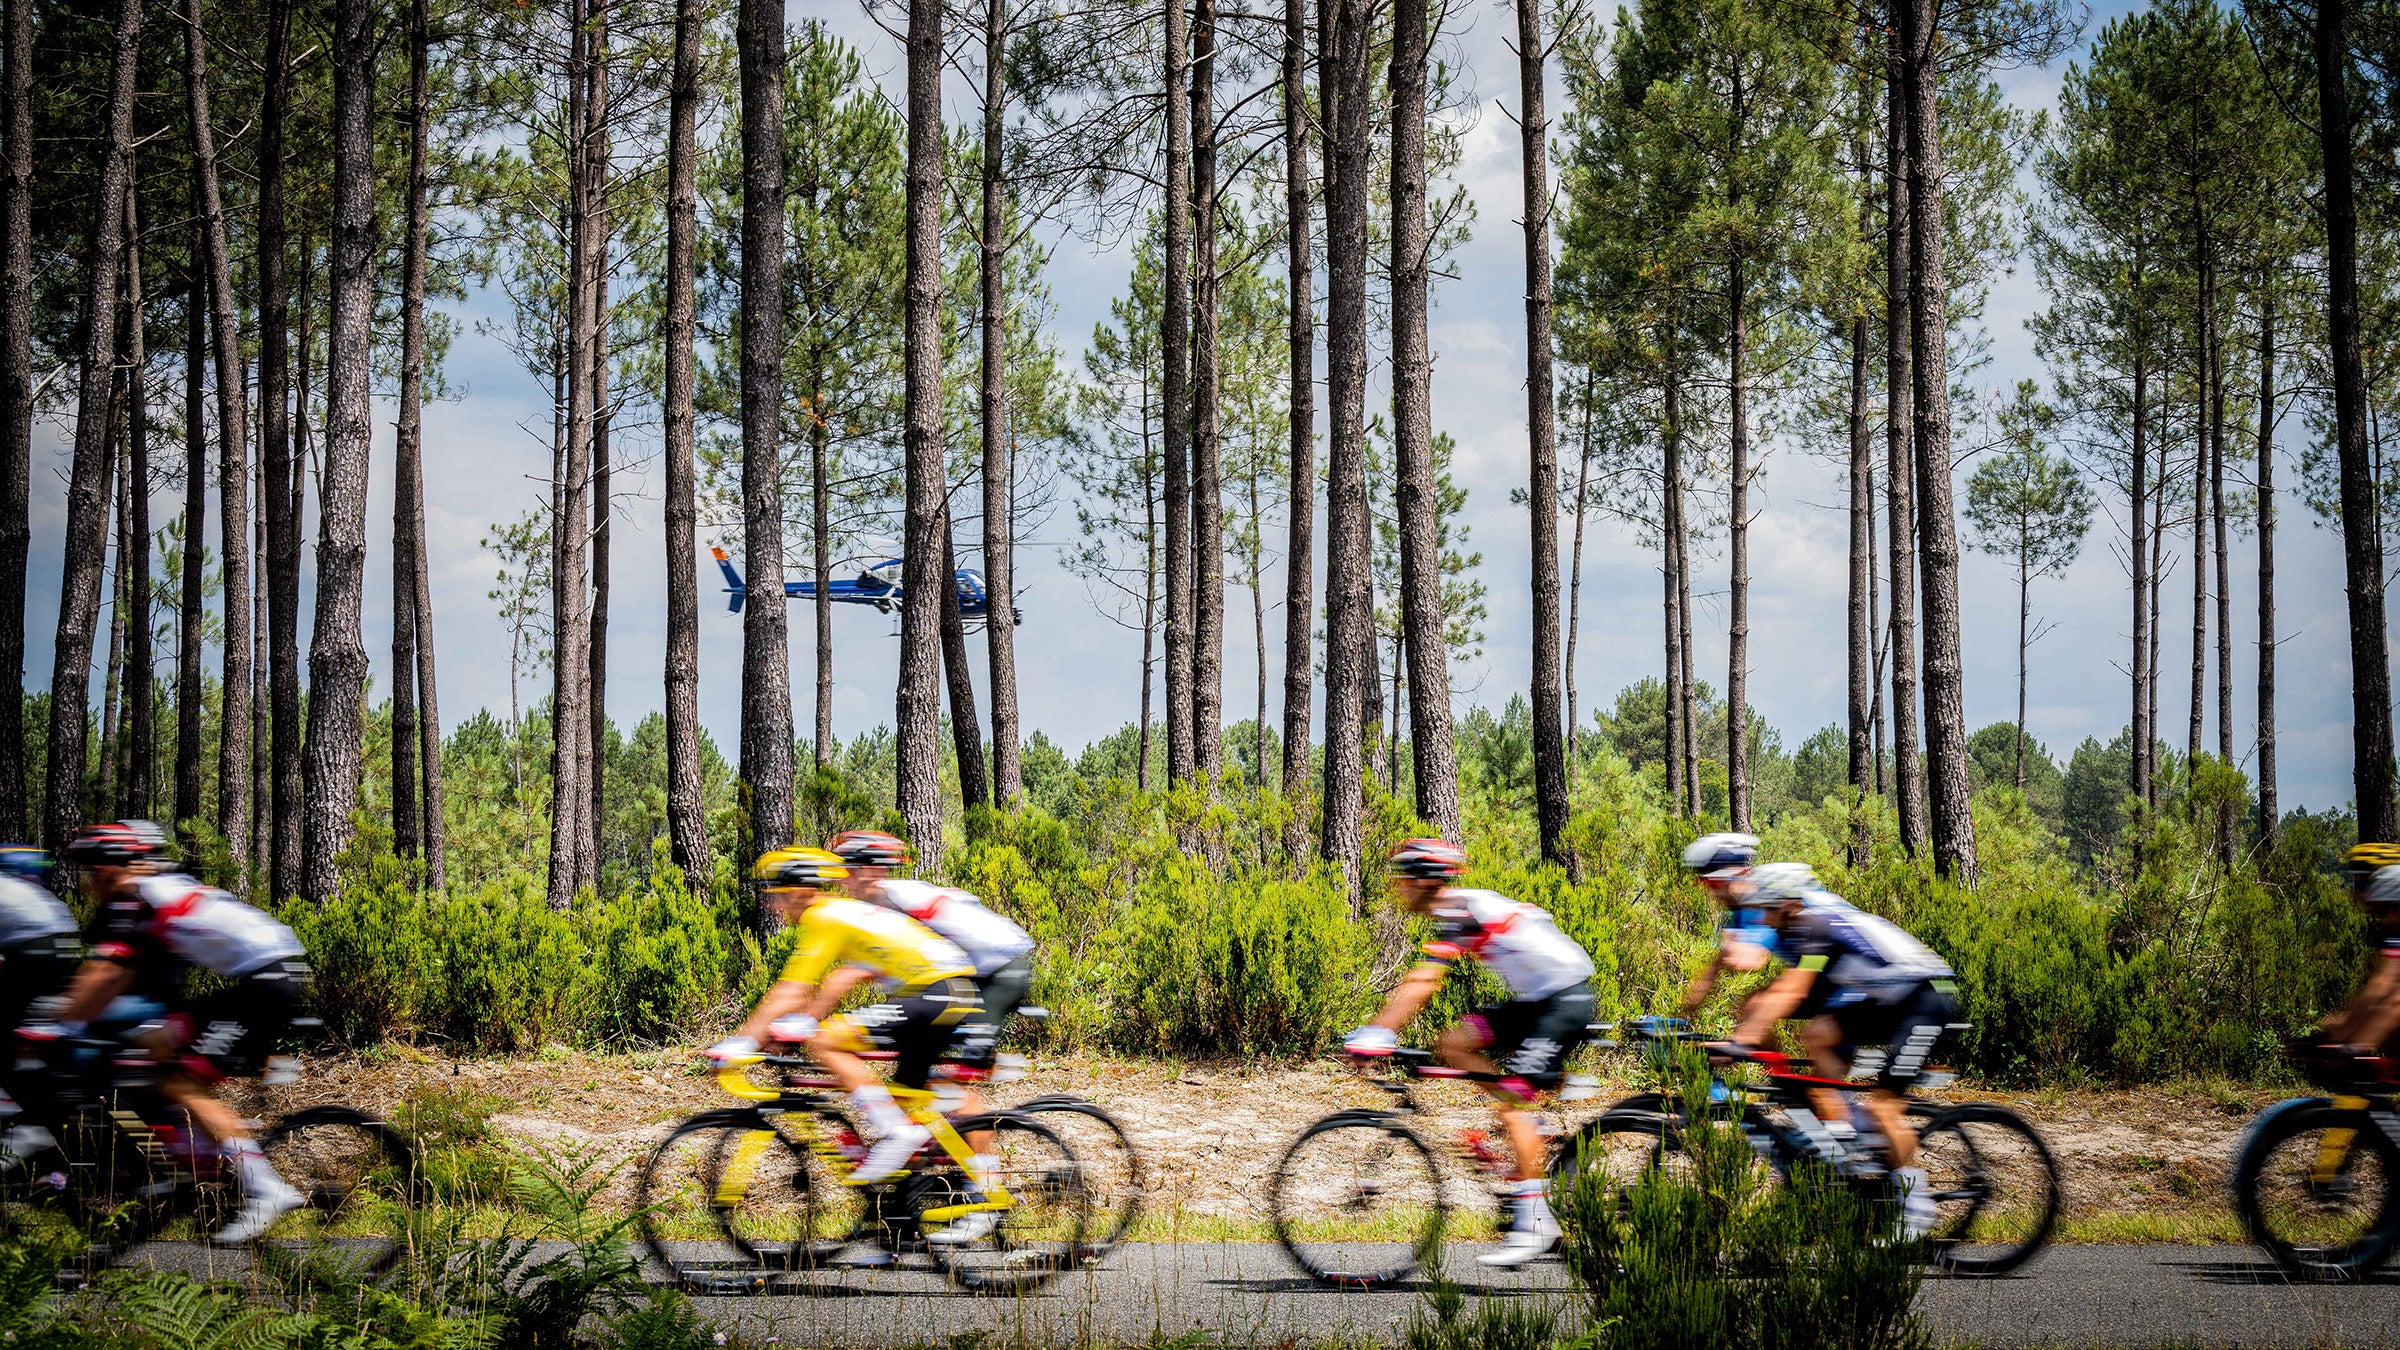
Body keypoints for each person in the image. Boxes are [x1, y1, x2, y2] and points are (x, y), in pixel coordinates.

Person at [33, 822, 313, 1245]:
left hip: (266, 983)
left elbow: (108, 975)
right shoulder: (158, 889)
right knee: (153, 1047)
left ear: (112, 870)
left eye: (92, 872)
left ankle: (265, 1188)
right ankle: (196, 1162)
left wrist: (58, 1026)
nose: (88, 883)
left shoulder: (141, 897)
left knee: (178, 1078)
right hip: (264, 976)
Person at [1343, 837, 1599, 1268]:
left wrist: (1379, 1032)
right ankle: (1528, 1121)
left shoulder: (1463, 910)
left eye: (1402, 880)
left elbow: (1423, 981)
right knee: (1452, 1043)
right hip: (1538, 999)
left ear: (1425, 881)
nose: (1397, 889)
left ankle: (1535, 1221)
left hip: (1564, 1000)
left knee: (1512, 1106)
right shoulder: (1459, 909)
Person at [707, 847, 984, 1202]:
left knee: (825, 1043)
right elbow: (832, 982)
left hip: (937, 991)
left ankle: (900, 1138)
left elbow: (791, 990)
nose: (771, 907)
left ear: (800, 891)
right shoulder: (836, 913)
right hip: (943, 990)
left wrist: (740, 1042)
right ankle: (904, 1219)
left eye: (775, 897)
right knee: (902, 1102)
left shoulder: (824, 917)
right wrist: (793, 1024)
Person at [1725, 862, 1958, 1240]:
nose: (1763, 920)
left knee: (1884, 1106)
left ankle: (1917, 1208)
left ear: (1788, 905)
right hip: (1886, 1001)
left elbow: (1792, 992)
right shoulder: (1802, 929)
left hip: (1925, 1000)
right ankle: (1846, 1130)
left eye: (1767, 909)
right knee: (1817, 1035)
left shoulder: (1817, 925)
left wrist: (1741, 1041)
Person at [2319, 842, 2400, 1067]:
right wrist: (2332, 1034)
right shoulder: (2392, 924)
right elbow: (2377, 990)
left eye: (2363, 882)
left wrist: (2356, 1046)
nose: (2357, 893)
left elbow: (2391, 997)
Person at [1676, 832, 1763, 1017]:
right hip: (1817, 971)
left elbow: (1751, 960)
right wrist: (1687, 1008)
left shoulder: (1761, 898)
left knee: (1755, 1007)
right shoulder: (1737, 908)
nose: (1712, 893)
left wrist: (1730, 949)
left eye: (1714, 883)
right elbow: (1717, 965)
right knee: (1752, 1008)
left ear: (1738, 873)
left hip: (1833, 969)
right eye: (1704, 884)